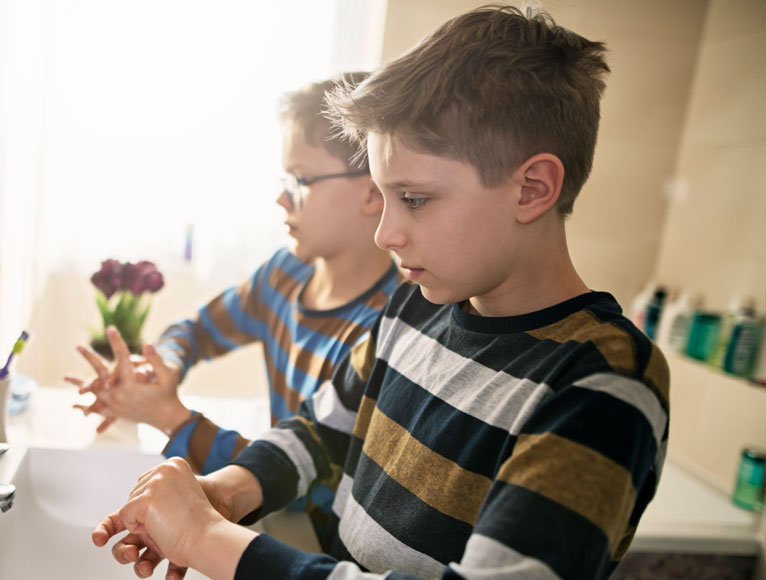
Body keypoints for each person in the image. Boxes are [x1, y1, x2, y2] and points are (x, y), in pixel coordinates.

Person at [91, 6, 670, 580]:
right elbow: (320, 432)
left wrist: (203, 536)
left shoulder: (602, 381)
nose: (384, 232)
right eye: (384, 197)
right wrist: (225, 493)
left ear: (533, 188)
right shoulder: (416, 308)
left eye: (414, 199)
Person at [68, 72, 402, 538]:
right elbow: (197, 330)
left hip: (316, 544)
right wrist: (157, 372)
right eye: (284, 178)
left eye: (301, 180)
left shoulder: (385, 328)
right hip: (279, 524)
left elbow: (301, 482)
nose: (281, 197)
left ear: (372, 192)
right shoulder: (285, 275)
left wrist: (170, 417)